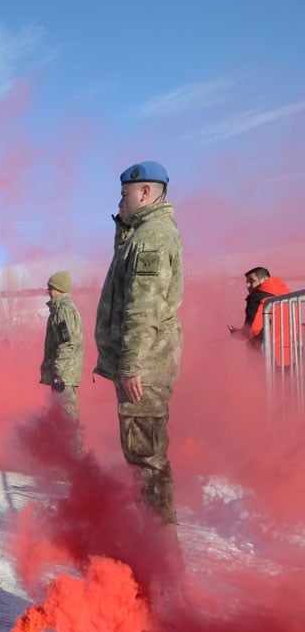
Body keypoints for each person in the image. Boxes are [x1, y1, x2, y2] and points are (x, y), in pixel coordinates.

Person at [94, 161, 183, 525]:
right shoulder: (143, 233)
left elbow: (142, 307)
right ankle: (154, 552)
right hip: (144, 367)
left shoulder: (151, 237)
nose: (119, 202)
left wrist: (131, 365)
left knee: (147, 464)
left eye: (124, 194)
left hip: (143, 371)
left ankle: (159, 562)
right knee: (143, 460)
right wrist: (123, 228)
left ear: (145, 192)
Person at [40, 271, 84, 425]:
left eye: (50, 288)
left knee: (67, 421)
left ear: (59, 289)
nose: (48, 291)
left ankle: (73, 450)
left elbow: (66, 344)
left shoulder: (63, 310)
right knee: (62, 419)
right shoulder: (62, 309)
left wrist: (58, 374)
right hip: (64, 375)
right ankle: (67, 449)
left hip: (63, 377)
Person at [230, 267, 293, 363]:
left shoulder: (256, 297)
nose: (247, 285)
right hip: (289, 354)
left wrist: (237, 334)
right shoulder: (287, 295)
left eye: (251, 281)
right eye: (247, 282)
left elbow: (251, 329)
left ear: (265, 279)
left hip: (266, 356)